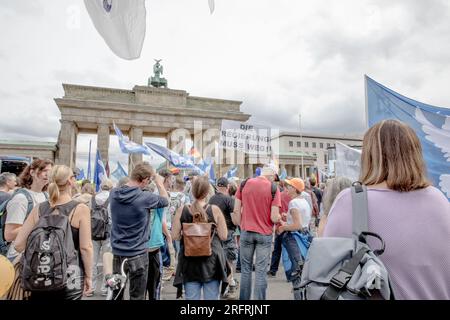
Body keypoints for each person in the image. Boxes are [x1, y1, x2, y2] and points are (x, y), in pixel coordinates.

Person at [323, 120, 450, 300]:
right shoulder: (440, 200)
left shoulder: (350, 201)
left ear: (369, 157)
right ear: (415, 154)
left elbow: (325, 271)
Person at [14, 165, 93, 300]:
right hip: (71, 277)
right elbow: (86, 248)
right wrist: (89, 277)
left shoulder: (39, 209)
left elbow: (19, 245)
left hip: (40, 276)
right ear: (70, 181)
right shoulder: (80, 209)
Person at [109, 162, 169, 300]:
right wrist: (159, 183)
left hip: (118, 253)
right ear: (145, 180)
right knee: (137, 297)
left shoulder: (113, 194)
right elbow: (165, 201)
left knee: (116, 294)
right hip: (138, 254)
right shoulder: (144, 198)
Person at [172, 176, 228, 300]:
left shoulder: (182, 210)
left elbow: (175, 236)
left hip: (189, 262)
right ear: (207, 192)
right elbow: (224, 236)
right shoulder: (215, 210)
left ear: (192, 191)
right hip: (211, 262)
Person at [232, 165, 282, 300]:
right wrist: (279, 218)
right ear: (271, 176)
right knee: (260, 271)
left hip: (246, 231)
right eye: (274, 179)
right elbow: (273, 217)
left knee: (246, 270)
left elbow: (236, 210)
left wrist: (240, 224)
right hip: (264, 234)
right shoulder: (273, 188)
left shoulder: (244, 184)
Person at [4, 159, 53, 262]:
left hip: (37, 255)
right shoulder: (21, 198)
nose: (48, 175)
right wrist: (41, 227)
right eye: (44, 171)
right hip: (19, 257)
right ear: (32, 172)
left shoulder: (46, 196)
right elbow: (9, 234)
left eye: (50, 172)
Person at [209, 177, 239, 299]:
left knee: (217, 260)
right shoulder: (229, 200)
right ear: (227, 187)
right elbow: (235, 220)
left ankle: (224, 284)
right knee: (229, 260)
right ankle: (227, 286)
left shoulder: (211, 199)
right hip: (228, 232)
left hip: (214, 234)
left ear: (217, 187)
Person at [279, 178, 311, 281]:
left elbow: (297, 225)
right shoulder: (304, 201)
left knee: (296, 270)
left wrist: (283, 227)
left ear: (294, 189)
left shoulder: (293, 203)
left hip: (294, 237)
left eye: (289, 187)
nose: (286, 189)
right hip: (305, 235)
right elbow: (302, 221)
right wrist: (287, 217)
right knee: (301, 267)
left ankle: (298, 294)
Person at [88, 178, 114, 297]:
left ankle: (90, 287)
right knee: (107, 262)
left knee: (92, 261)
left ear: (101, 187)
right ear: (111, 187)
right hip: (108, 233)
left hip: (93, 233)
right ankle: (105, 287)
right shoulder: (112, 199)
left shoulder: (92, 199)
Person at [268, 179, 292, 277]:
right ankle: (292, 271)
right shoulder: (293, 197)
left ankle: (273, 270)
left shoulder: (279, 196)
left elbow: (274, 210)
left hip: (280, 225)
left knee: (277, 249)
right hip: (291, 225)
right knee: (291, 250)